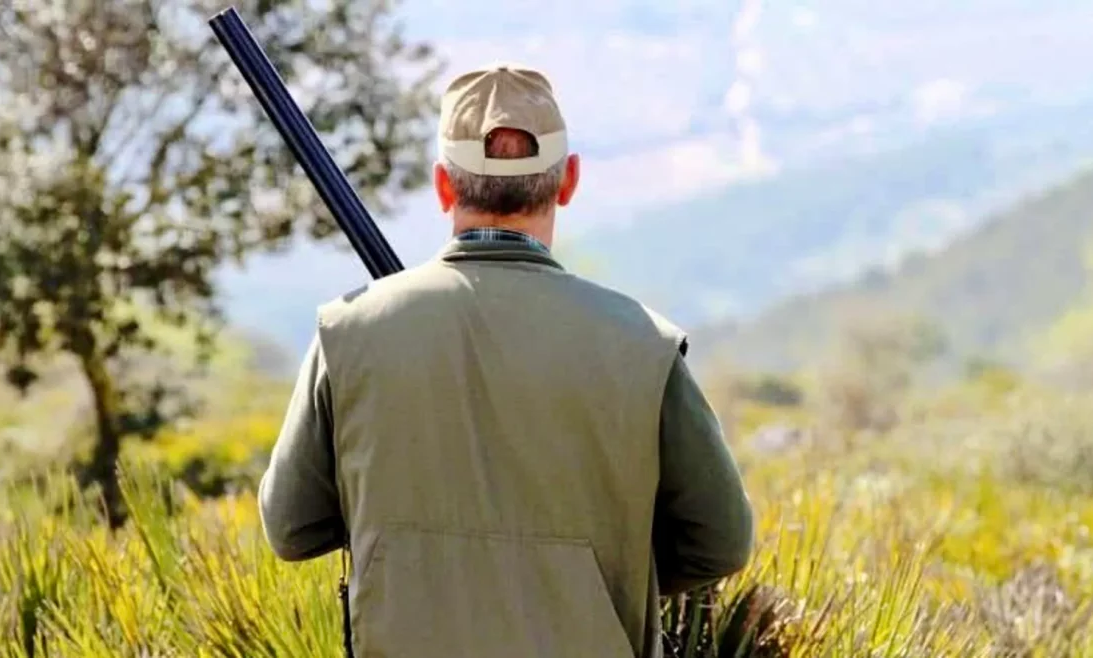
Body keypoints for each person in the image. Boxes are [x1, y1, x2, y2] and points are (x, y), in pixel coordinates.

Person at [257, 63, 755, 658]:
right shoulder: (644, 344)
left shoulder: (347, 331)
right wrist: (592, 573)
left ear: (443, 185)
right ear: (568, 181)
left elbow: (292, 527)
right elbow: (721, 542)